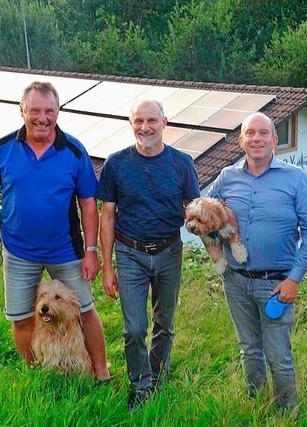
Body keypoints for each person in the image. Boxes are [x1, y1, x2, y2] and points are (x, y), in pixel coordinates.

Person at [0, 81, 110, 380]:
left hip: (66, 250)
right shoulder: (1, 149)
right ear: (22, 111)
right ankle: (39, 372)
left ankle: (100, 373)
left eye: (49, 111)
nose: (42, 118)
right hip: (18, 252)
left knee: (85, 311)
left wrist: (91, 251)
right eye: (35, 110)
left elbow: (88, 204)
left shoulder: (73, 151)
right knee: (22, 319)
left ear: (58, 112)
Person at [207, 112, 307, 409]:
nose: (256, 139)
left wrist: (294, 278)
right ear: (241, 140)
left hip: (277, 282)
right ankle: (255, 403)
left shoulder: (295, 179)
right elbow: (206, 216)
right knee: (249, 349)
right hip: (235, 281)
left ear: (274, 140)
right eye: (250, 133)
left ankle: (286, 410)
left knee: (278, 355)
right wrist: (215, 247)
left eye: (263, 133)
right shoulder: (226, 177)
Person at [97, 99, 200, 410]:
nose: (145, 127)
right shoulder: (115, 164)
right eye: (139, 121)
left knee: (164, 323)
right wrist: (106, 265)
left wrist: (217, 244)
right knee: (134, 328)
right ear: (131, 124)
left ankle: (157, 375)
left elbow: (194, 209)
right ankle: (139, 385)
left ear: (164, 123)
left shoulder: (182, 163)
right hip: (130, 253)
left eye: (152, 120)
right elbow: (107, 215)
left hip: (170, 250)